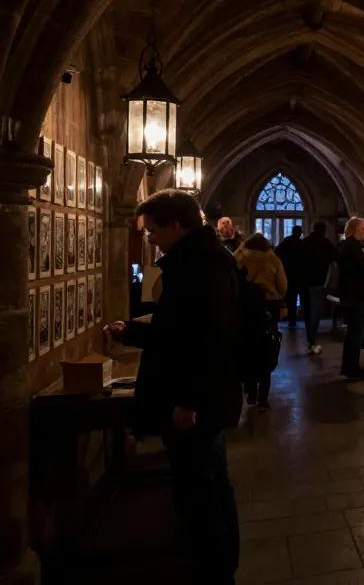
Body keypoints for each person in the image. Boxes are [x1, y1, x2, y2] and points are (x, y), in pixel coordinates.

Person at [106, 190, 241, 584]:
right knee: (204, 482)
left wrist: (188, 401)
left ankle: (213, 569)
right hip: (197, 396)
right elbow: (177, 331)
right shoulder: (195, 263)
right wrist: (131, 332)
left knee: (203, 488)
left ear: (175, 226)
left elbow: (208, 340)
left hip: (197, 402)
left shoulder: (204, 266)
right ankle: (211, 562)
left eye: (152, 231)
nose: (148, 239)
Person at [235, 233, 288, 409]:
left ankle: (250, 391)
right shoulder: (273, 259)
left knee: (247, 348)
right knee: (267, 347)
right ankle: (263, 397)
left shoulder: (238, 256)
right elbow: (283, 285)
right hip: (268, 307)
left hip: (243, 307)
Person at [336, 218, 364, 380]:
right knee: (356, 334)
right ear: (356, 229)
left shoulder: (346, 246)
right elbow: (363, 270)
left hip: (350, 295)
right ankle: (352, 369)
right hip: (355, 297)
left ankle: (349, 367)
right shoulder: (352, 247)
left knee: (353, 333)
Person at [300, 223, 337, 354]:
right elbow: (335, 259)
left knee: (308, 312)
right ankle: (312, 341)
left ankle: (310, 338)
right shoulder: (325, 243)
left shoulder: (304, 243)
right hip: (319, 282)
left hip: (303, 282)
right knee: (315, 313)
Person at [276, 225, 305, 328]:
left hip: (289, 274)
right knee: (302, 299)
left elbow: (278, 253)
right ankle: (301, 318)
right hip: (301, 275)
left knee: (291, 300)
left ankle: (291, 320)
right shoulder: (302, 243)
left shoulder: (286, 242)